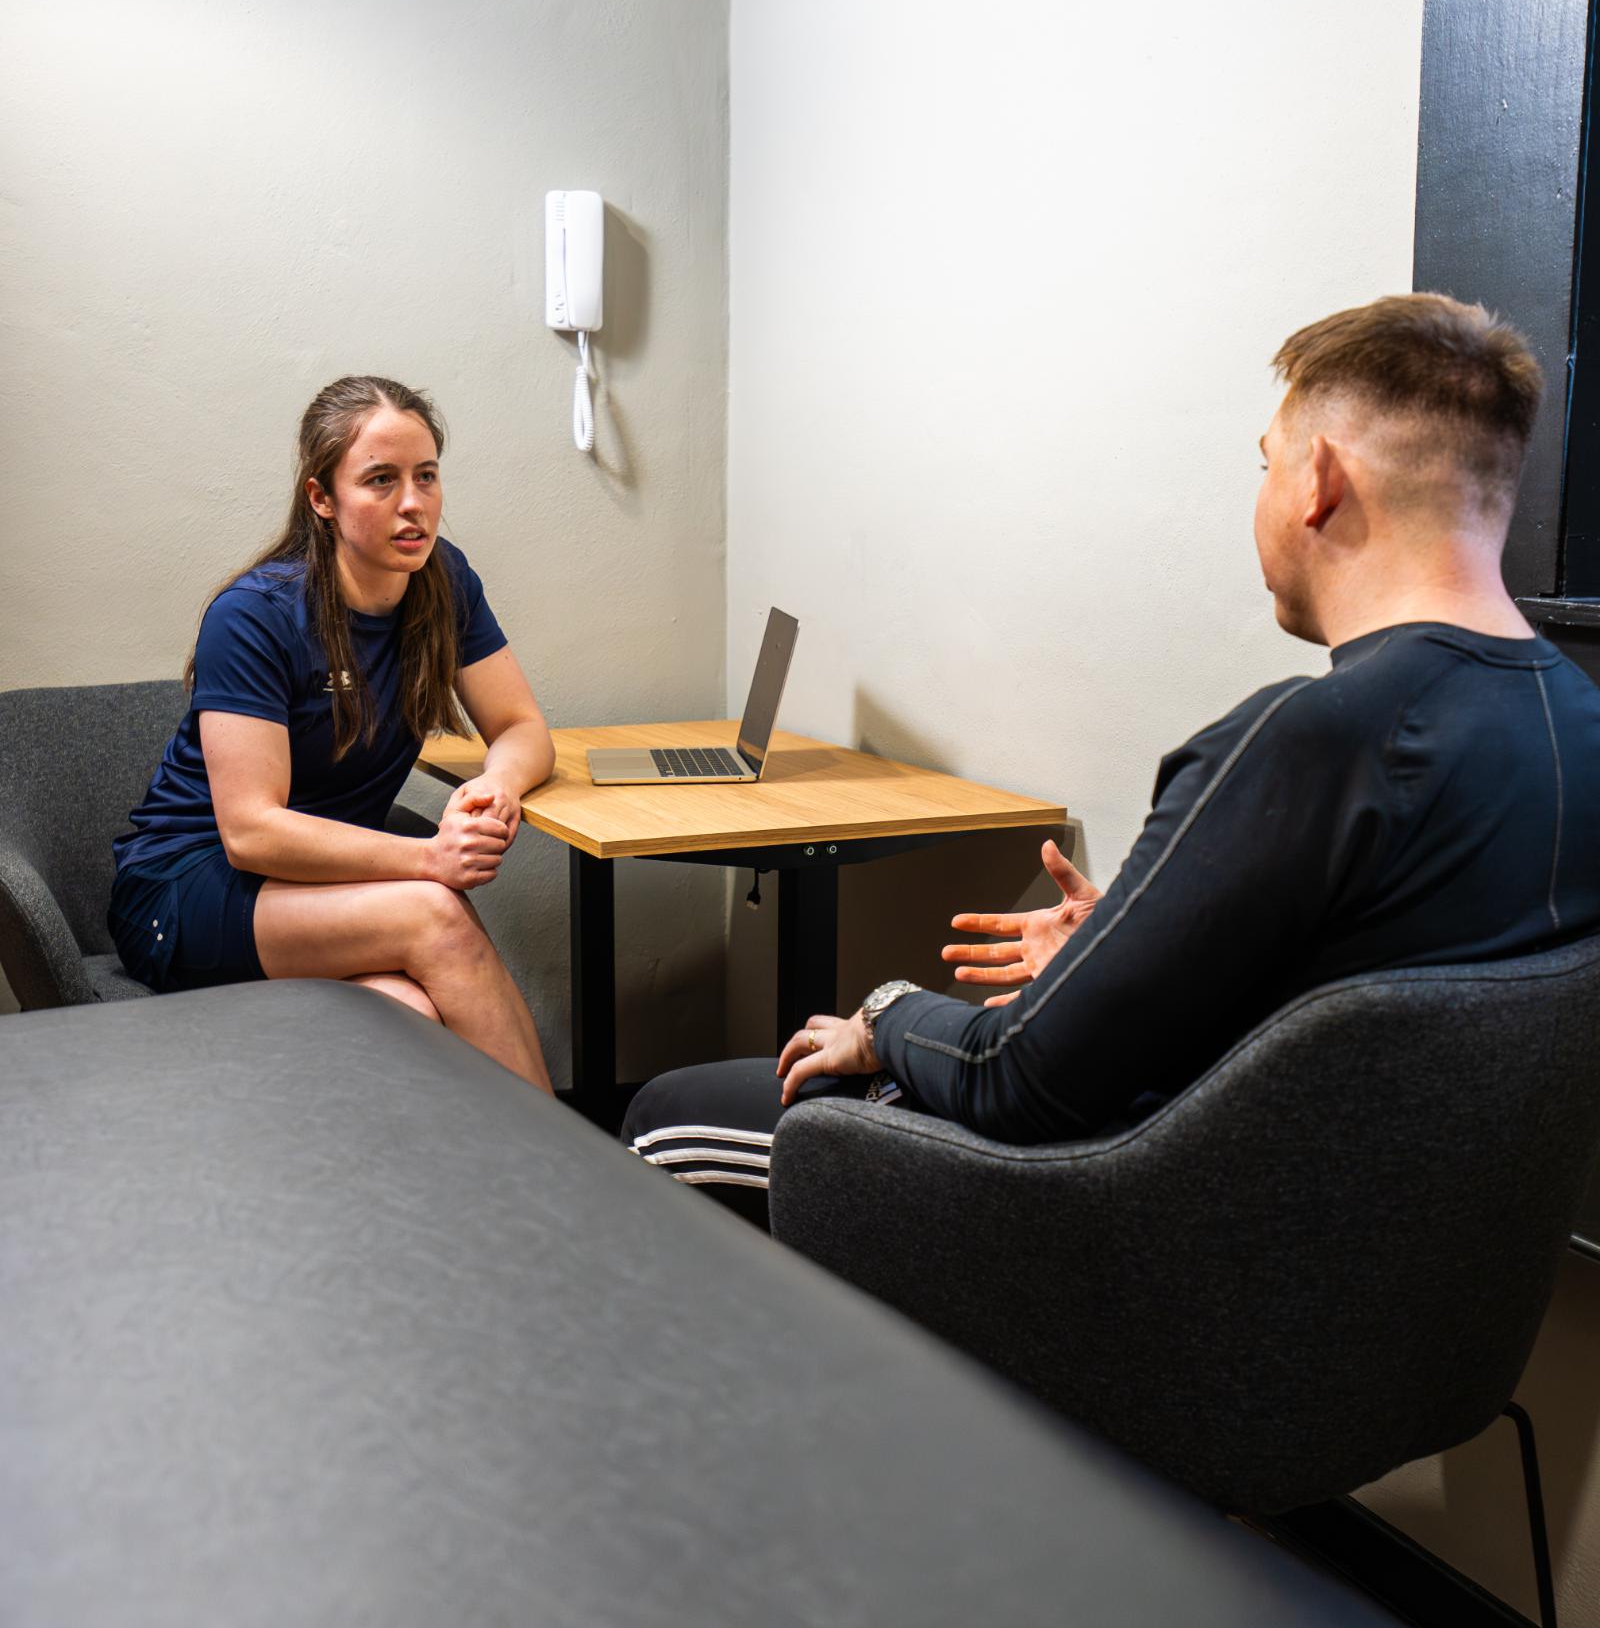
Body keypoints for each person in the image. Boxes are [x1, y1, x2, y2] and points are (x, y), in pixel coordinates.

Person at [624, 291, 1600, 1211]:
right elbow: (1354, 1014)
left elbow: (1014, 1080)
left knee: (669, 1116)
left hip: (1140, 1241)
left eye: (1266, 464)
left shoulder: (1308, 742)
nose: (1263, 492)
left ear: (1319, 481)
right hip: (1361, 1259)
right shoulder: (1575, 722)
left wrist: (886, 1017)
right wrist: (1139, 944)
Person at [109, 374, 555, 1089]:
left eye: (426, 476)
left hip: (328, 890)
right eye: (380, 480)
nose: (412, 503)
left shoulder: (444, 581)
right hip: (191, 888)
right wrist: (430, 859)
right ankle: (559, 1157)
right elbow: (251, 833)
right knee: (434, 915)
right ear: (322, 498)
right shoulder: (254, 615)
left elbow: (522, 726)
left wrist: (498, 784)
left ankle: (454, 1166)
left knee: (407, 1013)